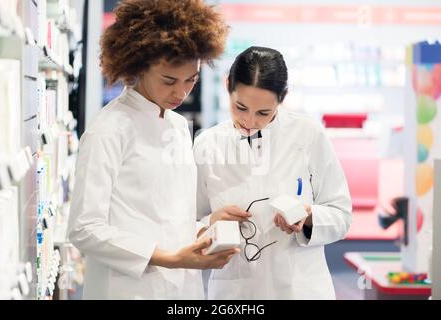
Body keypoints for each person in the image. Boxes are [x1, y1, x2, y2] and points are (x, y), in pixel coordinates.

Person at [67, 0, 238, 300]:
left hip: (182, 288)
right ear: (140, 65)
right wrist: (169, 259)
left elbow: (168, 215)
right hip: (128, 288)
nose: (181, 92)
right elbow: (84, 228)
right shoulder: (108, 129)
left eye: (191, 80)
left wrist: (205, 227)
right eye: (169, 80)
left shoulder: (177, 126)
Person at [194, 46, 352, 299]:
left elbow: (341, 216)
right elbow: (186, 223)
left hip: (299, 287)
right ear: (227, 86)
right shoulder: (207, 145)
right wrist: (211, 223)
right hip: (236, 291)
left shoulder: (308, 135)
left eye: (263, 113)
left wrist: (309, 217)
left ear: (283, 97)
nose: (250, 121)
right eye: (240, 107)